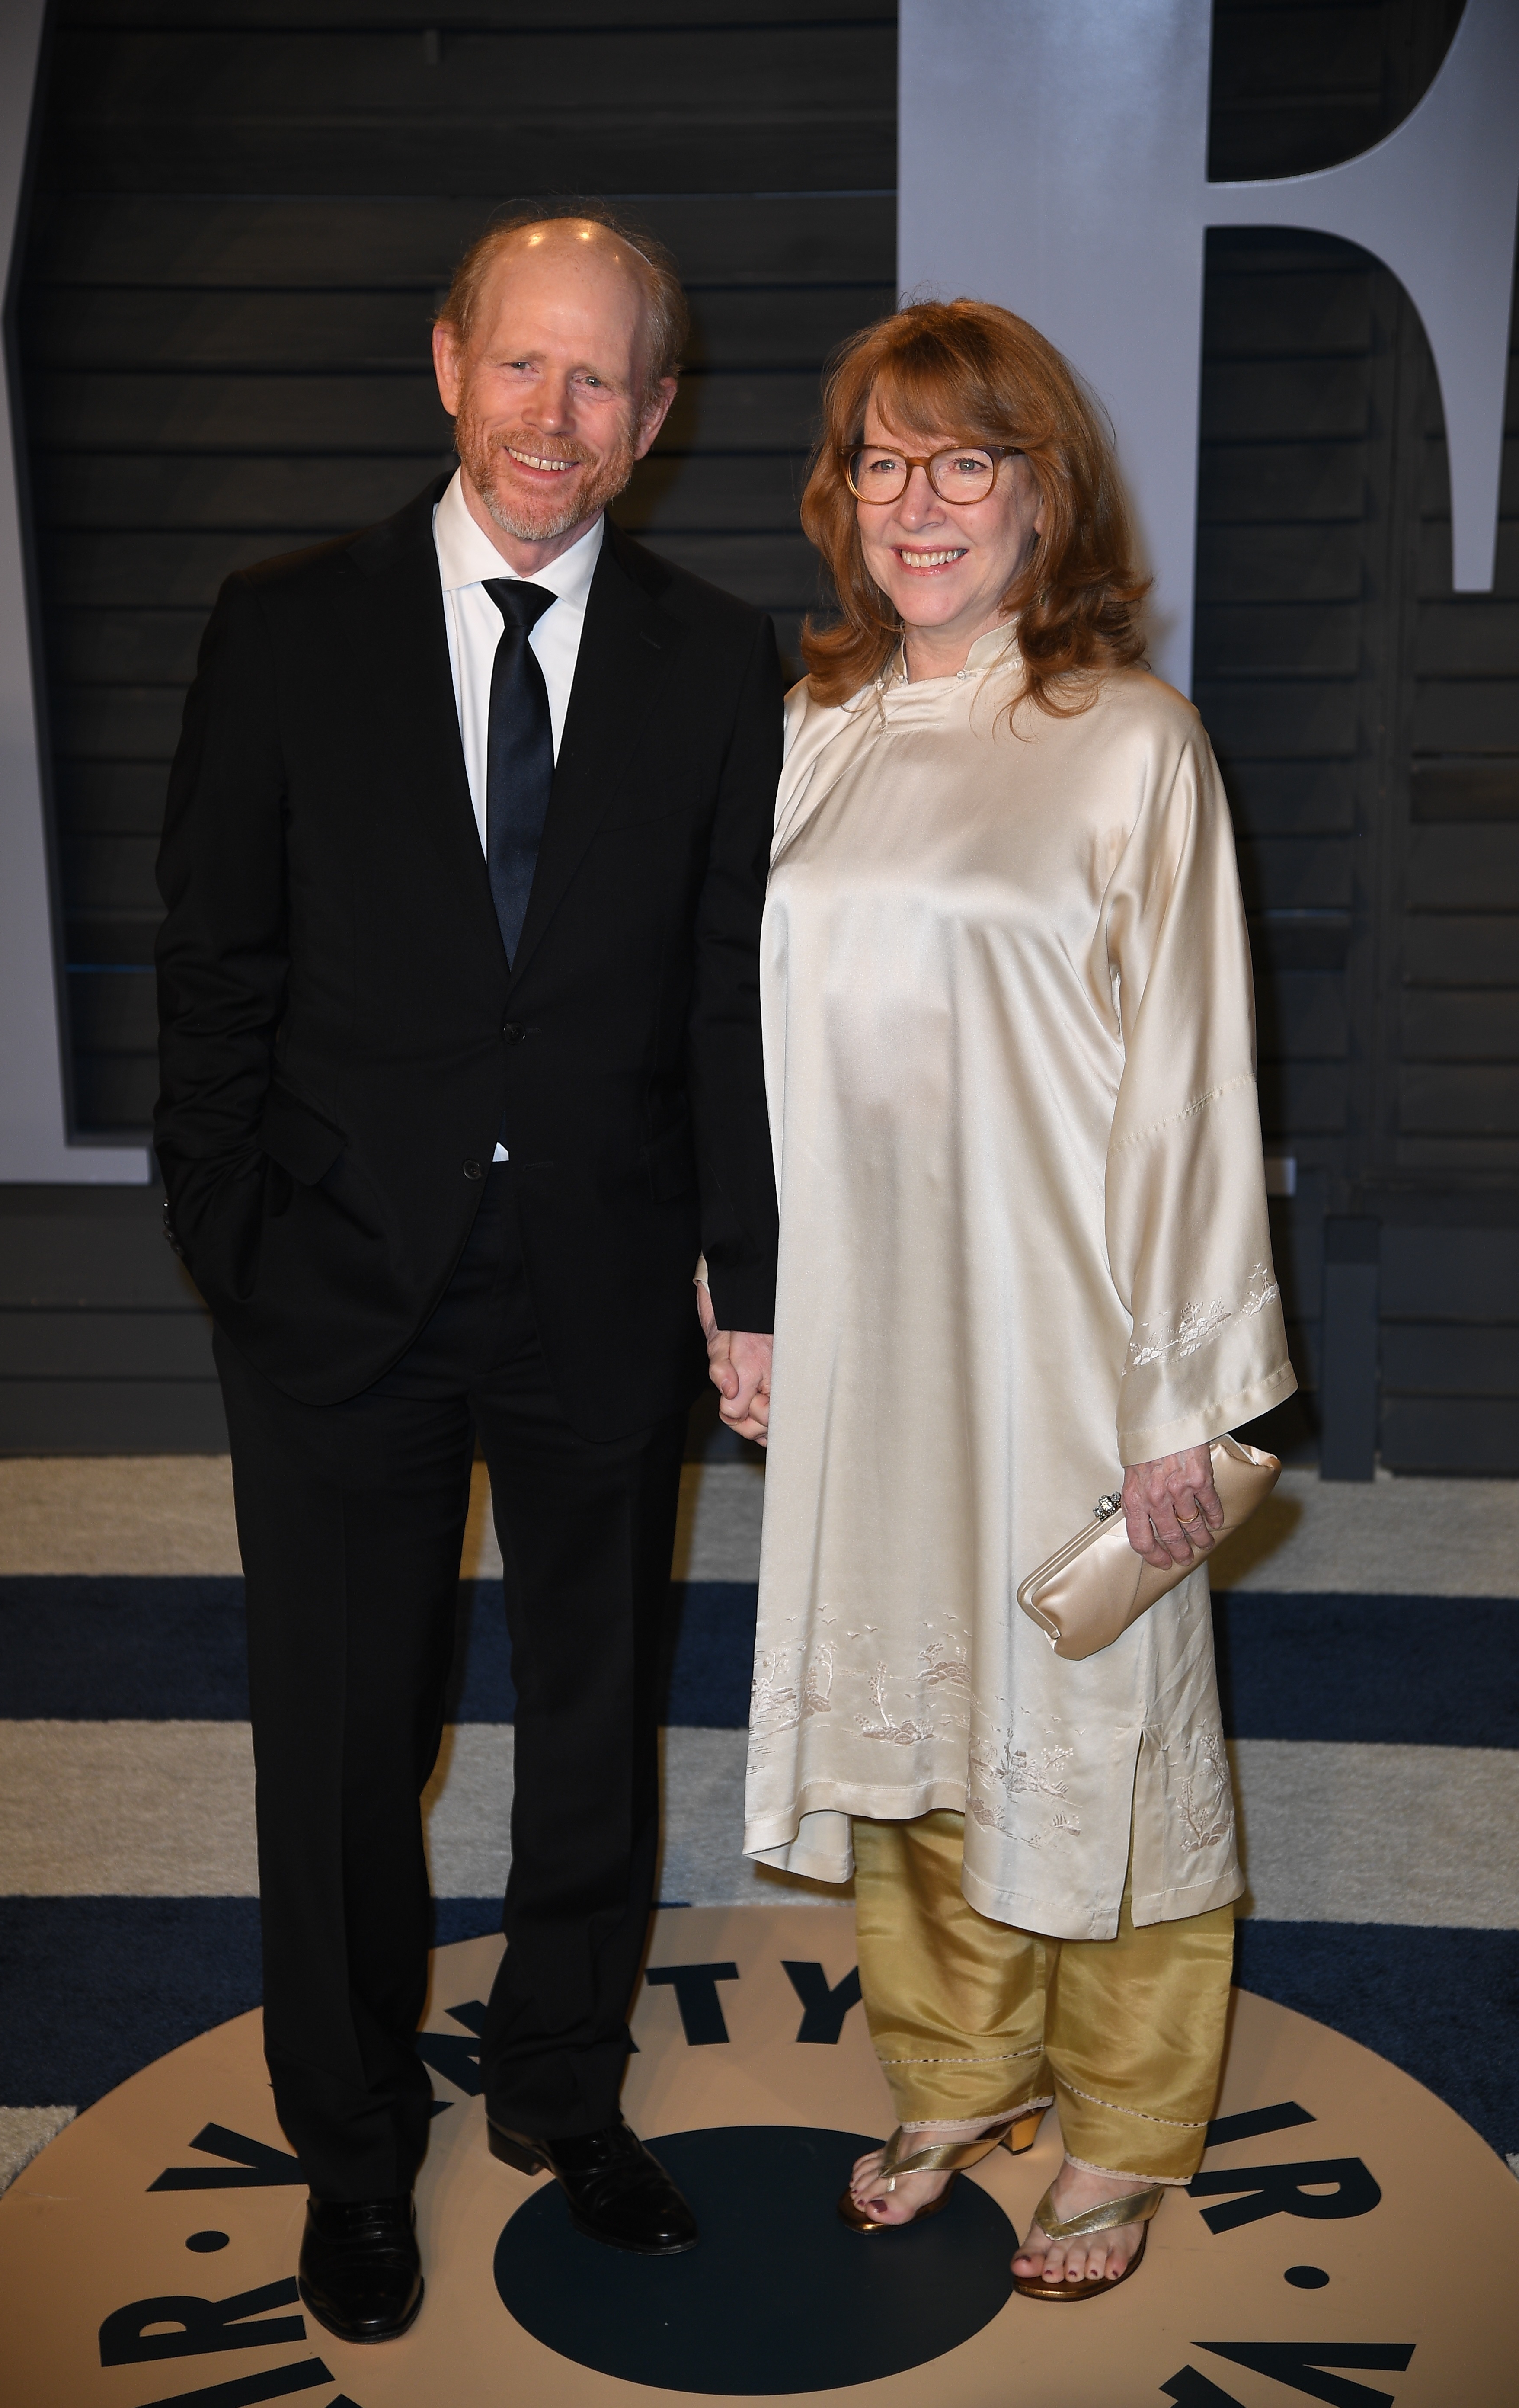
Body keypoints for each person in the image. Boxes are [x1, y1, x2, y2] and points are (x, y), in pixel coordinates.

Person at [154, 206, 780, 2343]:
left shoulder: (720, 662)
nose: (554, 415)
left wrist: (743, 1271)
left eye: (600, 379)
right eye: (523, 364)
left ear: (655, 417)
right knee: (345, 1739)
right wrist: (231, 1238)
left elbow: (726, 1002)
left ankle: (560, 2090)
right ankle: (349, 2151)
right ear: (448, 367)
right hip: (335, 1281)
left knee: (593, 1718)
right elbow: (215, 963)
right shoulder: (284, 626)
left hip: (602, 1280)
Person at [742, 299, 1295, 2300]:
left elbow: (1194, 1083)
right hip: (866, 1316)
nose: (919, 504)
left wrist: (1186, 1398)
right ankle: (959, 2071)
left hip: (1069, 1321)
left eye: (964, 461)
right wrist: (748, 1301)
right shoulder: (808, 729)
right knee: (912, 1700)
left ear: (1043, 493)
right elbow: (744, 1048)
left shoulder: (1130, 742)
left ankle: (1128, 2122)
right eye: (883, 462)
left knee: (1094, 1705)